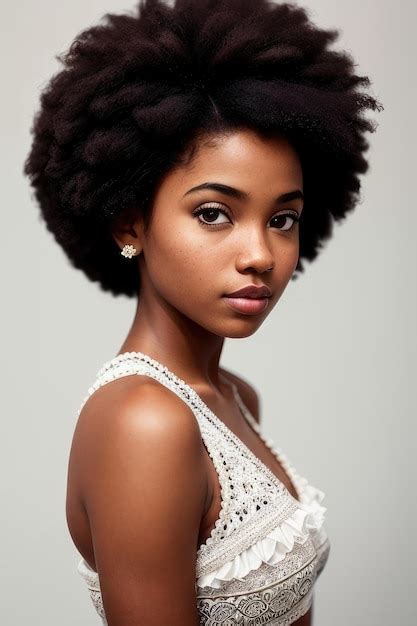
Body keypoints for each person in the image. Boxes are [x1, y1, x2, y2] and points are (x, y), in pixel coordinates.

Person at [24, 0, 382, 623]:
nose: (261, 255)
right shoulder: (145, 424)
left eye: (282, 219)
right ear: (129, 218)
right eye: (214, 212)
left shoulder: (234, 396)